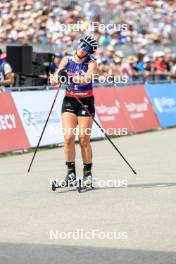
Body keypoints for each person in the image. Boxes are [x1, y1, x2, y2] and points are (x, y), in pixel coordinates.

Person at [50, 35, 98, 187]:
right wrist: (59, 77)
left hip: (85, 101)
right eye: (82, 45)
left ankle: (87, 174)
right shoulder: (66, 60)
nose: (83, 48)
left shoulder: (91, 63)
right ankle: (70, 173)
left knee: (83, 138)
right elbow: (53, 79)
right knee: (69, 137)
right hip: (70, 101)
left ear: (90, 52)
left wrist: (68, 76)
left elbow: (87, 79)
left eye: (87, 48)